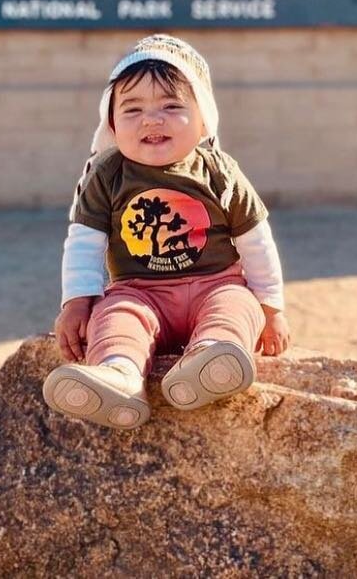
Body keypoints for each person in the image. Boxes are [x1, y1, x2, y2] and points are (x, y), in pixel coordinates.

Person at [42, 33, 290, 429]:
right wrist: (77, 302)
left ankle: (210, 357)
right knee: (114, 315)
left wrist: (271, 306)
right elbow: (84, 244)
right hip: (139, 290)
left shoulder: (218, 170)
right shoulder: (108, 175)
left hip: (217, 283)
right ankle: (119, 376)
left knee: (236, 307)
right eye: (132, 109)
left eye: (172, 106)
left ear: (203, 117)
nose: (151, 119)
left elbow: (255, 239)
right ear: (111, 123)